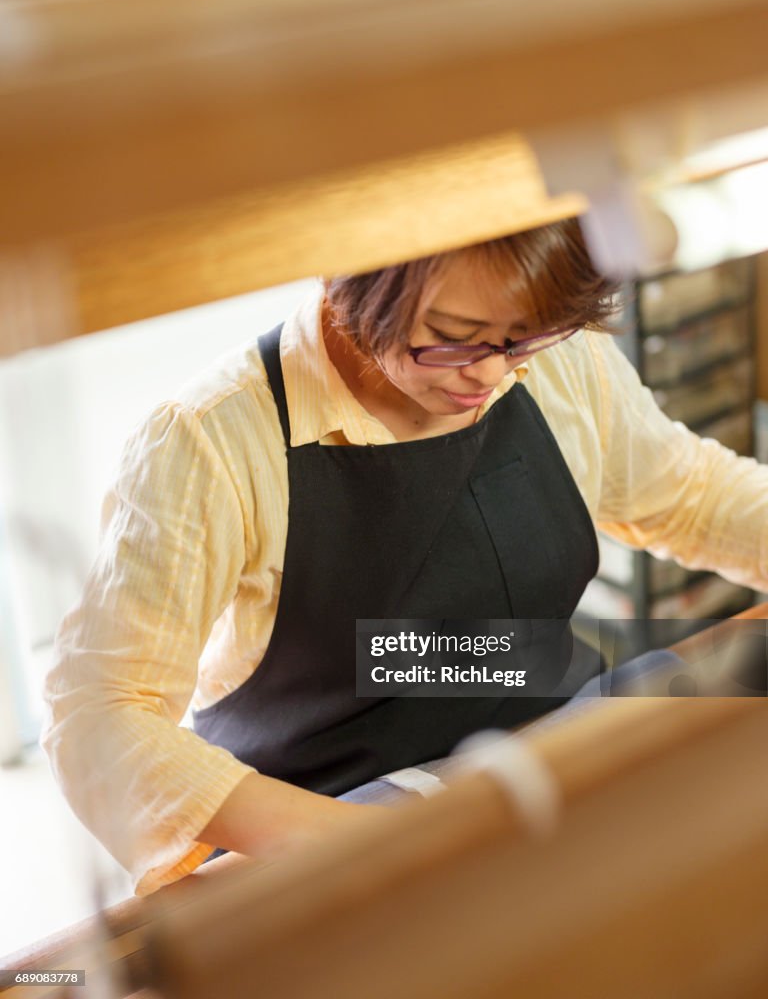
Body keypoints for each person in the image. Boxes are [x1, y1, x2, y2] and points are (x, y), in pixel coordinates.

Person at [42, 218, 768, 896]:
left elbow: (695, 495)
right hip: (335, 807)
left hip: (547, 735)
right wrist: (366, 844)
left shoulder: (552, 363)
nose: (489, 374)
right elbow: (100, 714)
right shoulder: (210, 441)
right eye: (453, 337)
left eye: (523, 340)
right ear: (349, 283)